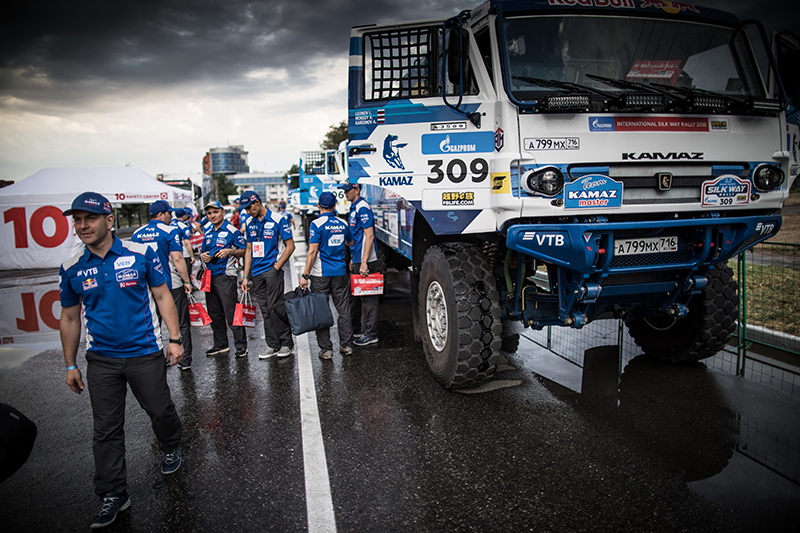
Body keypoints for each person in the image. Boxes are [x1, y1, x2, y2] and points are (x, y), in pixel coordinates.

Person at [58, 192, 184, 529]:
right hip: (101, 361)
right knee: (106, 430)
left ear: (109, 220)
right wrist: (70, 365)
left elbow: (161, 295)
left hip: (144, 353)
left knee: (161, 411)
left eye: (90, 218)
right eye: (78, 220)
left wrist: (174, 339)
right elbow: (69, 318)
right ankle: (113, 493)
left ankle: (171, 444)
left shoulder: (140, 254)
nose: (83, 225)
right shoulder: (72, 266)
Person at [131, 200, 194, 370]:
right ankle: (185, 360)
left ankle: (155, 361)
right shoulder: (170, 230)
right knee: (181, 323)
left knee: (152, 324)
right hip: (170, 284)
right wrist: (187, 281)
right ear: (161, 214)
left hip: (146, 286)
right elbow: (178, 259)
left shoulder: (137, 233)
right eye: (169, 213)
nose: (171, 216)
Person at [239, 191, 296, 359]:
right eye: (245, 209)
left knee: (276, 307)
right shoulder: (249, 222)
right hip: (256, 273)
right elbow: (249, 249)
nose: (248, 212)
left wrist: (276, 267)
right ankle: (273, 344)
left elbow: (290, 246)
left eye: (249, 207)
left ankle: (286, 343)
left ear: (257, 202)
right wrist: (245, 276)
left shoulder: (278, 219)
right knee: (265, 311)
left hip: (272, 271)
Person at [298, 192, 354, 359]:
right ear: (335, 205)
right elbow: (350, 243)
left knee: (321, 312)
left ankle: (326, 349)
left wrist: (305, 276)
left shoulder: (316, 224)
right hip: (340, 273)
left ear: (318, 206)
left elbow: (313, 251)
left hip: (320, 274)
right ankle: (346, 345)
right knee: (343, 309)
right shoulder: (343, 223)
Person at [200, 200, 248, 358]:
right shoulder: (207, 231)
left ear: (222, 212)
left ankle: (241, 346)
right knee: (214, 313)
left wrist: (230, 252)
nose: (212, 216)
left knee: (232, 313)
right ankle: (220, 344)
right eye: (209, 213)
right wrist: (202, 256)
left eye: (215, 212)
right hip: (209, 277)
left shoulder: (231, 230)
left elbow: (245, 251)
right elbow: (202, 252)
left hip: (226, 276)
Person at [339, 182, 380, 346]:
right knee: (353, 296)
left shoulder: (362, 207)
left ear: (357, 190)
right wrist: (352, 260)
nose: (345, 193)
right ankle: (356, 330)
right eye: (344, 191)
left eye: (348, 190)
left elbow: (369, 236)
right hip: (358, 260)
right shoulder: (354, 207)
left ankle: (371, 334)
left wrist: (363, 262)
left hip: (367, 262)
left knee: (369, 300)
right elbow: (356, 238)